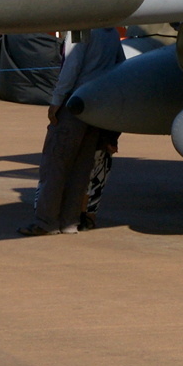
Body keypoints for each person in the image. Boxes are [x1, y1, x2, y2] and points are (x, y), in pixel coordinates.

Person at [19, 27, 125, 236]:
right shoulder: (111, 32)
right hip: (97, 105)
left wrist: (56, 101)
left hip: (74, 102)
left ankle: (46, 221)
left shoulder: (81, 29)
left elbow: (72, 66)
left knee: (55, 165)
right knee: (81, 168)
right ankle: (70, 221)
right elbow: (120, 63)